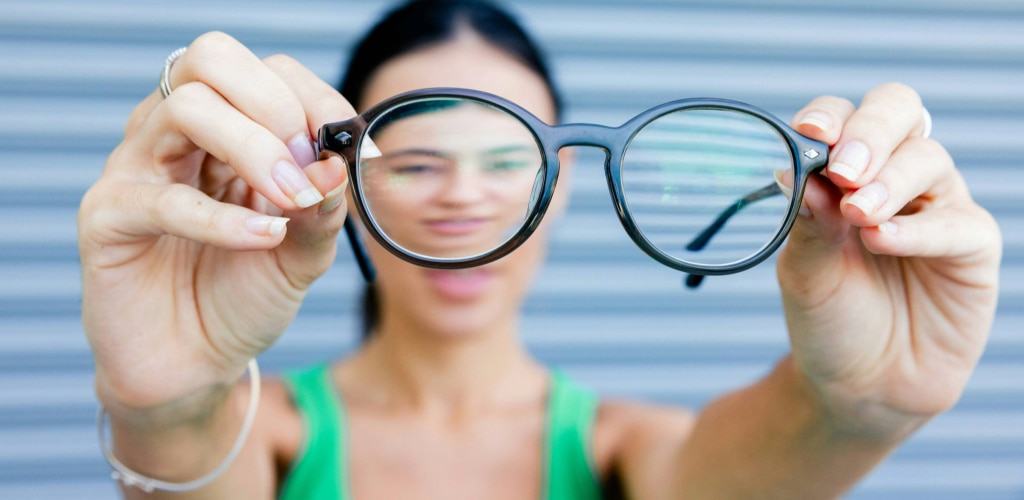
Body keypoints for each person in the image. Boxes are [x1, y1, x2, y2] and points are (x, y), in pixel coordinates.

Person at [77, 0, 1002, 498]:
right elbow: (193, 452)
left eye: (511, 163)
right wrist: (166, 405)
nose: (465, 200)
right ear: (339, 188)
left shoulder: (626, 452)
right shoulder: (259, 436)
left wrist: (863, 410)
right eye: (417, 160)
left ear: (560, 199)